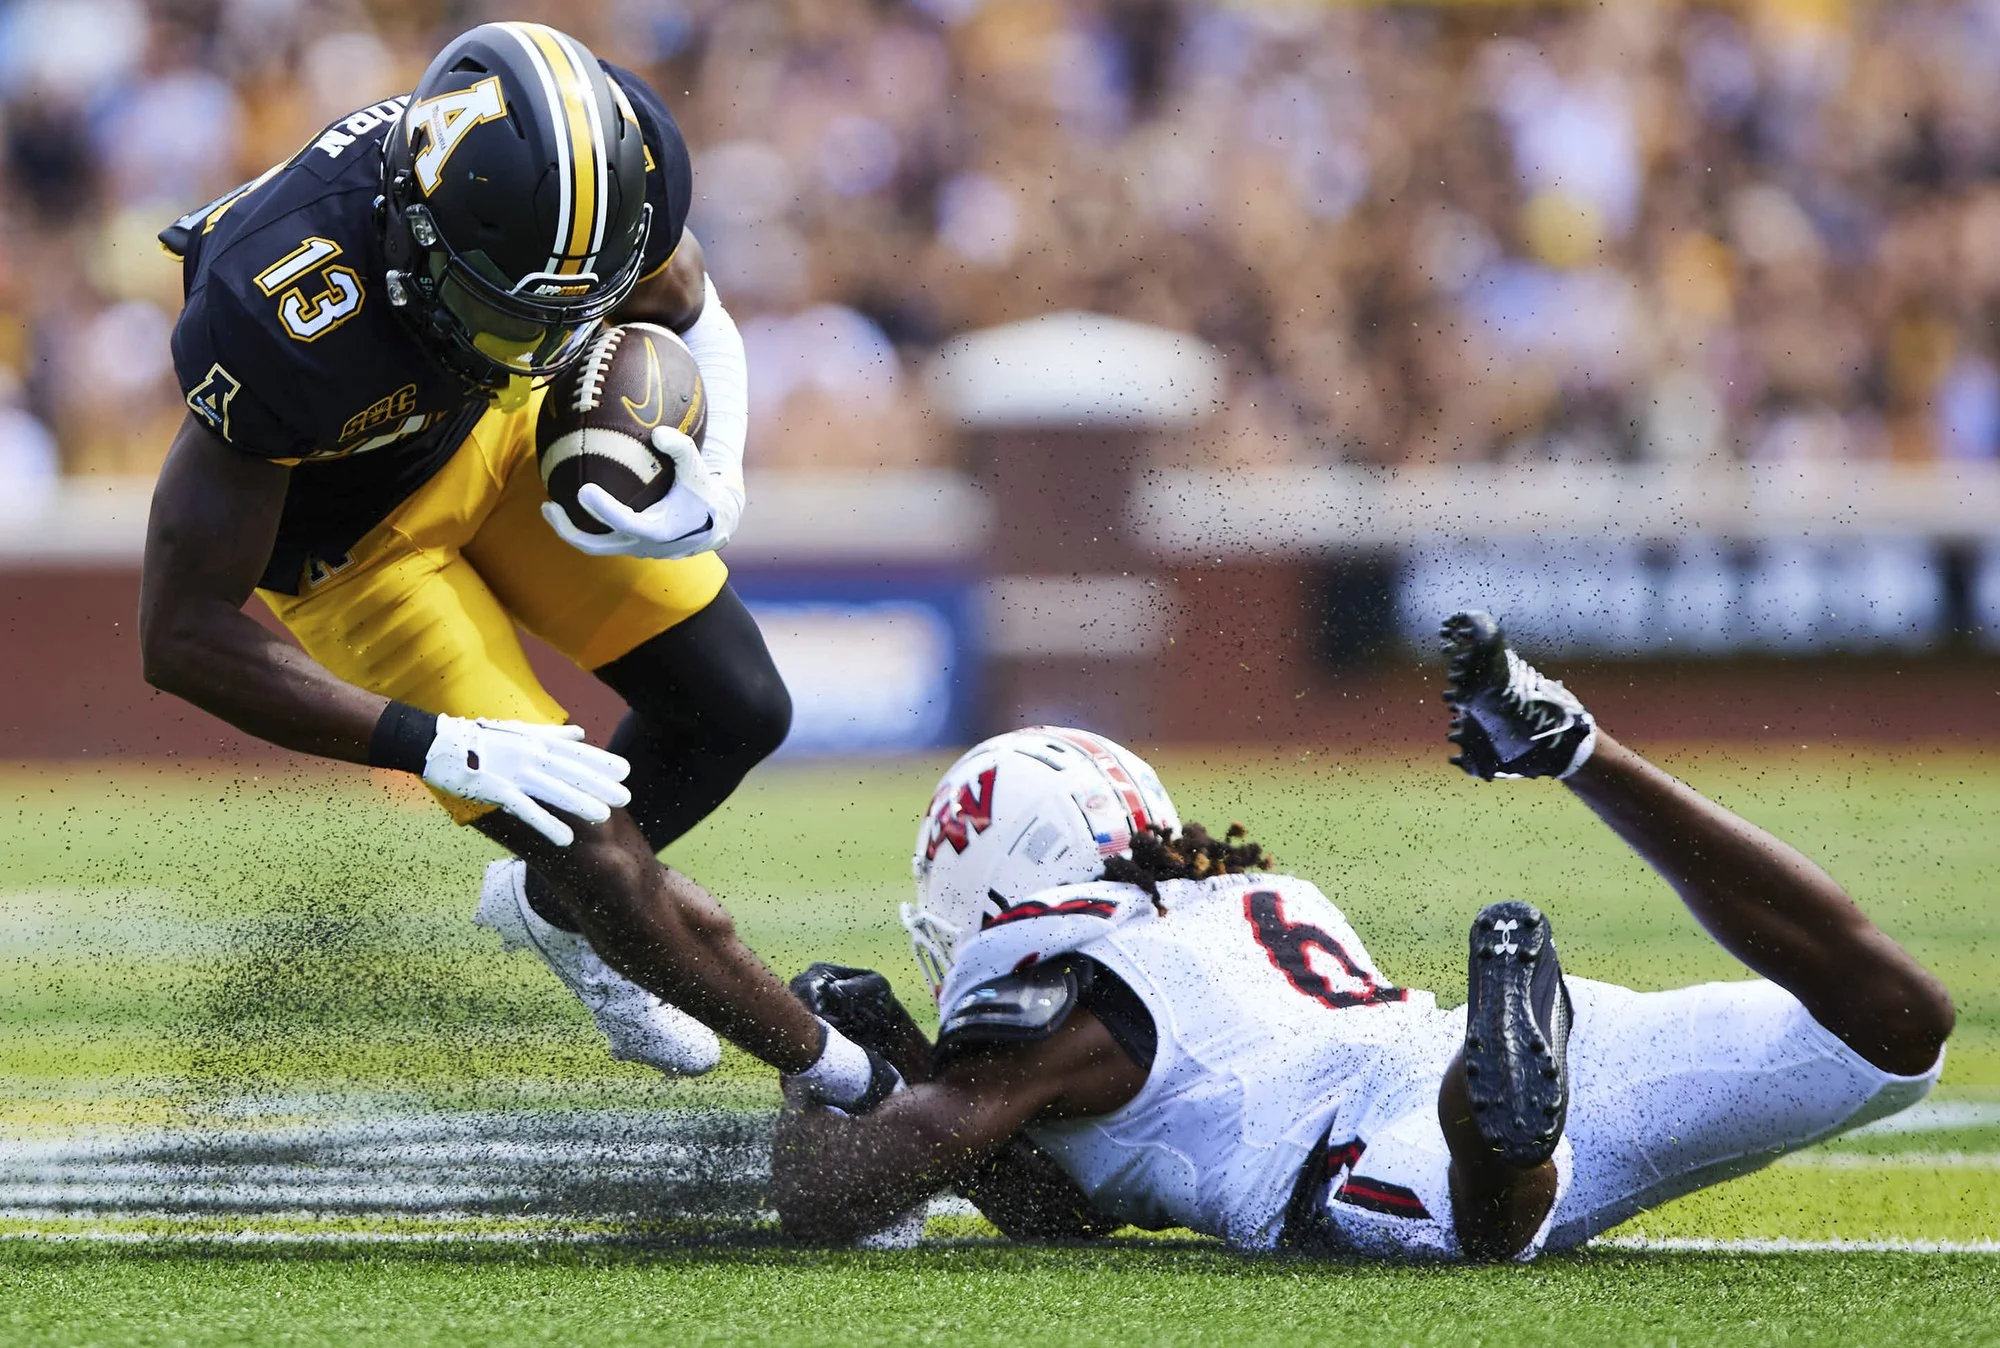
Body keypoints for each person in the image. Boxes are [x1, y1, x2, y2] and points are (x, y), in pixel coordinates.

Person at [139, 22, 896, 1113]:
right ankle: (853, 1085)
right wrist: (439, 747)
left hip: (501, 438)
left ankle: (543, 908)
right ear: (414, 231)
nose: (532, 340)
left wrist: (717, 464)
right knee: (597, 850)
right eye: (499, 308)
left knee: (736, 707)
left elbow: (685, 299)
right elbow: (181, 633)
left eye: (558, 314)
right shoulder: (283, 308)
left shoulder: (601, 171)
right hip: (359, 549)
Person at [770, 610, 1955, 1259]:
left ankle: (1493, 1124)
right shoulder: (1237, 891)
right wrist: (908, 1067)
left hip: (1361, 1144)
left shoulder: (1060, 996)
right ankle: (1578, 753)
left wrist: (822, 1076)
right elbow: (1069, 1203)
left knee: (1477, 1229)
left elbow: (840, 1197)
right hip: (1446, 1049)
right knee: (1898, 1030)